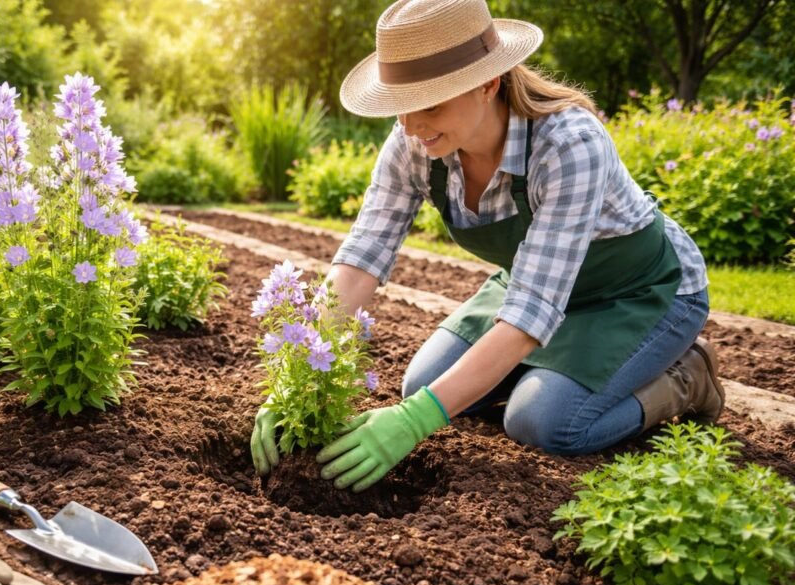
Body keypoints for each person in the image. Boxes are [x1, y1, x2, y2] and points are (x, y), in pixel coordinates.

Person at [250, 0, 725, 492]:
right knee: (420, 386)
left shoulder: (569, 144)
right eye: (401, 105)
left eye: (430, 104)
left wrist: (413, 422)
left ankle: (687, 378)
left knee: (541, 421)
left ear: (487, 82)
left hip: (638, 291)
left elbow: (530, 314)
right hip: (532, 282)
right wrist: (297, 374)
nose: (410, 126)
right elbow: (362, 255)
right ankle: (563, 373)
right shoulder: (415, 142)